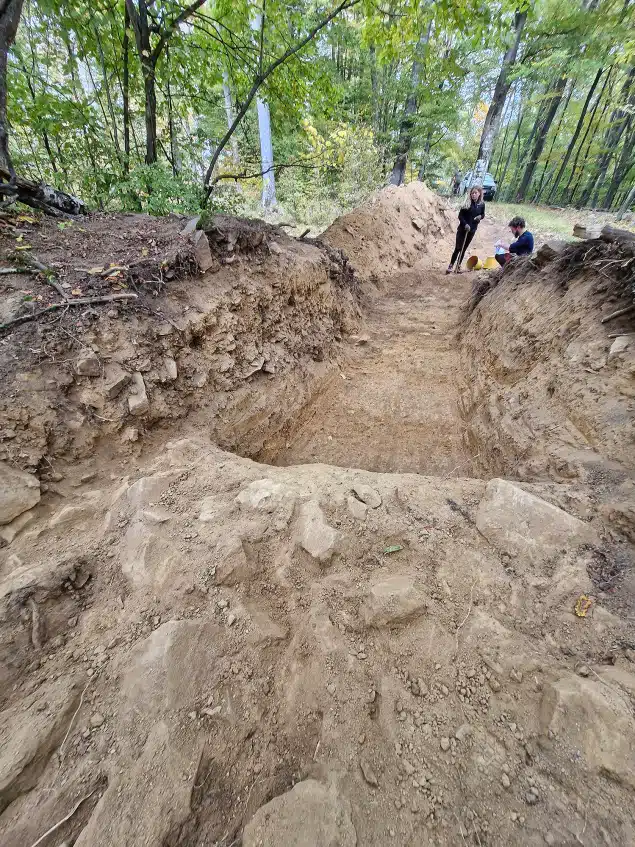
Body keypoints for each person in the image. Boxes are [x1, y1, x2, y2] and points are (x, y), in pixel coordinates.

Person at [446, 185, 485, 274]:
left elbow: (483, 214)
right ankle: (451, 265)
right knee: (458, 248)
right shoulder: (467, 203)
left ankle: (458, 266)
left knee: (463, 249)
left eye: (475, 193)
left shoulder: (482, 204)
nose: (473, 195)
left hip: (472, 230)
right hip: (462, 230)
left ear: (479, 193)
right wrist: (465, 224)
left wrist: (480, 216)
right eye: (472, 193)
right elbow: (460, 216)